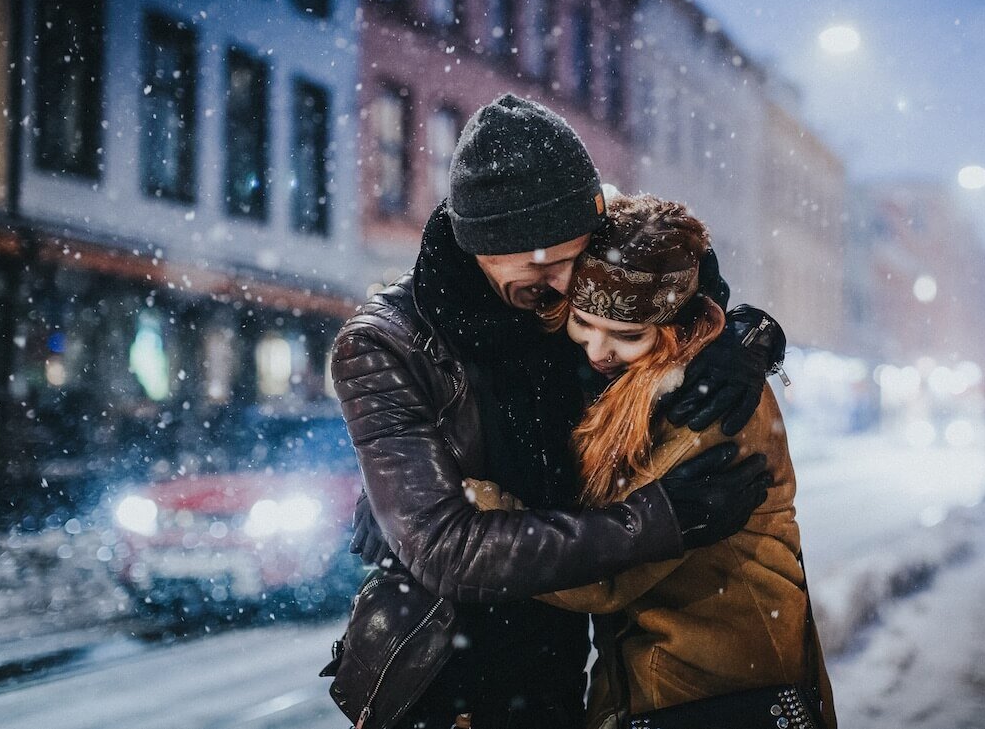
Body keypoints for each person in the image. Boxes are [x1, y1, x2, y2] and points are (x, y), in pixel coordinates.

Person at [332, 94, 785, 729]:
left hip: (562, 652)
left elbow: (666, 261)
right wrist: (661, 521)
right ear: (476, 244)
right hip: (440, 675)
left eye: (573, 256)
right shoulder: (384, 344)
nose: (559, 279)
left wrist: (735, 334)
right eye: (534, 261)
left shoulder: (570, 293)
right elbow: (448, 550)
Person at [468, 194, 836, 729]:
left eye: (628, 335)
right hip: (672, 686)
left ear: (670, 330)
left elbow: (608, 574)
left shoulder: (705, 406)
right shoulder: (631, 384)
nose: (597, 350)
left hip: (709, 694)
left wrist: (475, 509)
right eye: (583, 323)